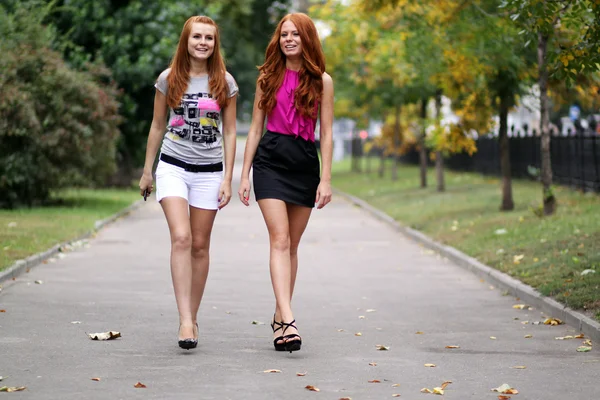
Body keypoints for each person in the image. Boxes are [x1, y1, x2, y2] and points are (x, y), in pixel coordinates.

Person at [138, 15, 238, 350]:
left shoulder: (224, 82)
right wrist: (147, 170)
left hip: (209, 171)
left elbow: (231, 131)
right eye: (197, 37)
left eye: (209, 38)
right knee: (181, 237)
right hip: (173, 167)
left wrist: (227, 177)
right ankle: (184, 320)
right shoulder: (169, 79)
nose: (203, 43)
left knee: (199, 245)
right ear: (186, 40)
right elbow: (156, 125)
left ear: (215, 44)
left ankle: (192, 317)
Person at [238, 13, 333, 353]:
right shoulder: (268, 77)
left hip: (305, 163)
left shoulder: (323, 81)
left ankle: (280, 318)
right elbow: (254, 129)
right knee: (279, 240)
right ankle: (290, 319)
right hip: (271, 161)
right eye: (284, 34)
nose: (289, 39)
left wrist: (325, 179)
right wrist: (245, 173)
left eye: (295, 34)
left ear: (307, 39)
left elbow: (327, 133)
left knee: (292, 246)